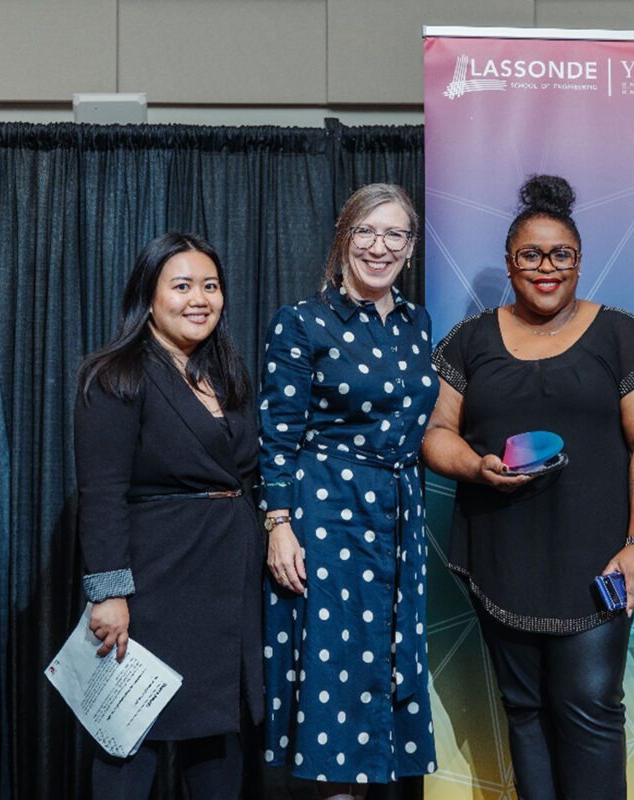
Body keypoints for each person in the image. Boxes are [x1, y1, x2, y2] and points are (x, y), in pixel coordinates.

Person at [422, 174, 634, 799]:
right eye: (530, 255)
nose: (546, 268)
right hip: (501, 553)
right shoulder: (471, 340)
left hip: (598, 559)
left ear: (579, 261)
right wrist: (476, 466)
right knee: (524, 709)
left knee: (590, 705)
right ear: (510, 263)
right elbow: (435, 434)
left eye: (561, 254)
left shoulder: (621, 335)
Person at [259, 184, 437, 799]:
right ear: (343, 238)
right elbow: (277, 433)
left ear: (410, 249)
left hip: (399, 515)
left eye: (395, 235)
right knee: (338, 674)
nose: (379, 246)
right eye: (366, 231)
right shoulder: (303, 321)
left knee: (388, 668)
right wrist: (279, 523)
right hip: (328, 510)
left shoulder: (419, 324)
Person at [75, 232, 263, 799]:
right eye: (181, 286)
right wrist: (109, 592)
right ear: (149, 296)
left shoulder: (228, 376)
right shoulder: (115, 375)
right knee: (129, 741)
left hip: (227, 586)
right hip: (152, 586)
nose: (198, 298)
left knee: (218, 739)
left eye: (210, 285)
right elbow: (101, 492)